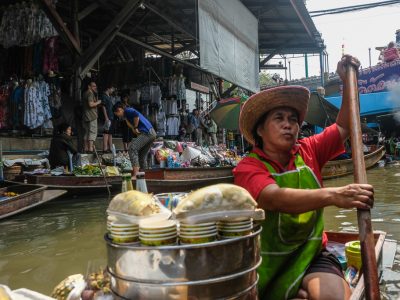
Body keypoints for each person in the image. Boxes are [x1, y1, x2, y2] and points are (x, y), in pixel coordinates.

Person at [233, 55, 374, 300]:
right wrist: (334, 195)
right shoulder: (248, 168)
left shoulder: (309, 149)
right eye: (279, 119)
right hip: (267, 262)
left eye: (293, 120)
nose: (288, 125)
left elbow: (344, 126)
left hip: (311, 254)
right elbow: (274, 198)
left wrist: (348, 82)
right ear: (260, 129)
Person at [113, 103, 156, 178]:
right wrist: (133, 127)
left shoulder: (127, 110)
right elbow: (131, 124)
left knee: (132, 148)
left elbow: (136, 115)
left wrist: (135, 127)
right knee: (141, 156)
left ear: (119, 110)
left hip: (147, 133)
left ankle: (136, 174)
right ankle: (144, 175)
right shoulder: (126, 116)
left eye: (117, 114)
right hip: (151, 133)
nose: (118, 116)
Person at [82, 81, 101, 153]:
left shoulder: (85, 93)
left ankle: (86, 148)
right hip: (92, 116)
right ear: (89, 86)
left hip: (85, 115)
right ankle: (90, 149)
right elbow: (90, 104)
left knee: (86, 132)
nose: (95, 87)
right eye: (93, 86)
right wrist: (98, 102)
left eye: (95, 86)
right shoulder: (90, 93)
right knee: (92, 132)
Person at [101, 85, 115, 152]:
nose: (112, 90)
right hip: (107, 116)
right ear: (108, 88)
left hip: (111, 116)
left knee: (110, 132)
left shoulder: (109, 96)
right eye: (112, 89)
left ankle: (110, 147)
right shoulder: (104, 96)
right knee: (106, 132)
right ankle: (105, 148)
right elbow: (103, 106)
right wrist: (106, 116)